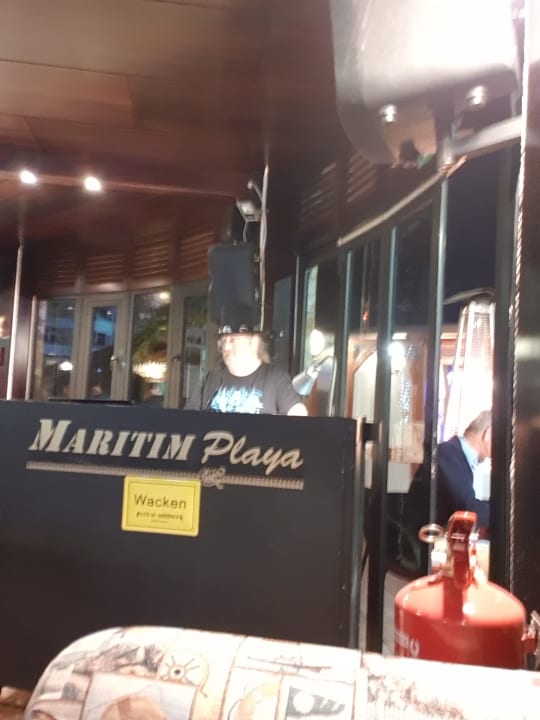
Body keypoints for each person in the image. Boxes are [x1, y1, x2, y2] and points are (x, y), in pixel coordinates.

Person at [184, 305, 307, 416]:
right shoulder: (210, 378)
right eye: (224, 340)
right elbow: (187, 420)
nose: (226, 347)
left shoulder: (276, 378)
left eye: (233, 340)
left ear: (254, 342)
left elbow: (298, 417)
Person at [405, 410, 492, 538]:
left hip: (443, 540)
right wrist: (506, 512)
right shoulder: (448, 454)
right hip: (427, 542)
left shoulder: (461, 457)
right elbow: (468, 508)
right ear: (488, 433)